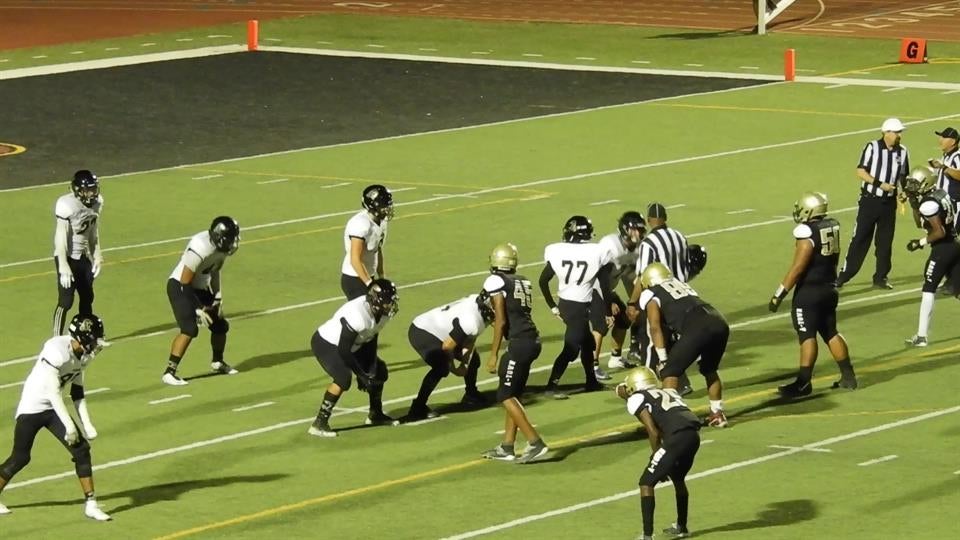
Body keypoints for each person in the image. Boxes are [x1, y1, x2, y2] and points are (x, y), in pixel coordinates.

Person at [0, 314, 111, 521]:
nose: (97, 344)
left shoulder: (82, 356)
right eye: (94, 339)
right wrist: (70, 426)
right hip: (33, 407)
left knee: (82, 450)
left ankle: (91, 503)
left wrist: (86, 424)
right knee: (20, 458)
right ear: (83, 337)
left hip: (53, 409)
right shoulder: (56, 351)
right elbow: (53, 392)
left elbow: (77, 392)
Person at [769, 192, 858, 397]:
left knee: (807, 335)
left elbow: (798, 268)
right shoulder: (831, 225)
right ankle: (848, 376)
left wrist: (779, 293)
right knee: (830, 332)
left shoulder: (806, 232)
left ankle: (803, 383)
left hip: (809, 292)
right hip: (828, 287)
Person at [633, 263, 729, 427]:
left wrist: (663, 358)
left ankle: (673, 419)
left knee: (669, 372)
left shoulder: (651, 293)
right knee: (709, 369)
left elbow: (655, 326)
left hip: (698, 324)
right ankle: (717, 414)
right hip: (719, 321)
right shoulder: (681, 284)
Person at [480, 243, 549, 464]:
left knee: (505, 396)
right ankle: (507, 446)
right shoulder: (522, 280)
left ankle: (535, 442)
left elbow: (501, 320)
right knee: (513, 394)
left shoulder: (496, 281)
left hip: (520, 342)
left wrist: (493, 354)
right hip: (530, 339)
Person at [616, 367, 700, 540]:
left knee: (646, 483)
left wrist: (656, 455)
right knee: (678, 478)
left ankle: (647, 536)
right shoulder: (667, 391)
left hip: (677, 438)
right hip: (693, 436)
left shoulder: (637, 399)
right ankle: (682, 526)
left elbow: (653, 431)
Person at [308, 279, 400, 437]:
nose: (389, 306)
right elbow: (344, 350)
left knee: (379, 371)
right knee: (343, 378)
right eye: (386, 302)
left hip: (355, 343)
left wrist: (370, 367)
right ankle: (319, 422)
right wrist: (361, 375)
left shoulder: (381, 314)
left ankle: (375, 414)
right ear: (375, 300)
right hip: (328, 342)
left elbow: (372, 336)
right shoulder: (357, 314)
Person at [539, 215, 613, 399]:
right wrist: (608, 311)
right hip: (578, 308)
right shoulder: (598, 251)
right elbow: (605, 286)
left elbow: (543, 281)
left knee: (588, 344)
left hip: (566, 304)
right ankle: (551, 386)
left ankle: (591, 382)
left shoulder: (557, 250)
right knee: (571, 349)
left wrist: (553, 306)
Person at [162, 216, 241, 386]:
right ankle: (169, 371)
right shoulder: (200, 247)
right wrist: (198, 308)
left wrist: (217, 297)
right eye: (231, 238)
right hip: (180, 286)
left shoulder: (221, 249)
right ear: (220, 238)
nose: (234, 242)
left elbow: (214, 271)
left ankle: (217, 362)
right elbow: (184, 281)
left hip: (198, 287)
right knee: (189, 329)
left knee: (220, 326)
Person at [626, 203, 694, 394]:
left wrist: (632, 302)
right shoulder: (680, 236)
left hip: (659, 297)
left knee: (650, 342)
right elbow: (687, 268)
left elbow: (642, 276)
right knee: (672, 339)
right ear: (666, 218)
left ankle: (647, 388)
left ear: (648, 221)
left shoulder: (649, 243)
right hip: (682, 295)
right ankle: (681, 382)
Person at [836, 118, 911, 290]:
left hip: (889, 203)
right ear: (887, 132)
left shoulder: (903, 151)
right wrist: (879, 184)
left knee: (885, 242)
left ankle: (881, 277)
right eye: (897, 132)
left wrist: (903, 192)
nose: (900, 135)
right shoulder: (872, 147)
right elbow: (860, 171)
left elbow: (903, 176)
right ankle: (843, 276)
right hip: (870, 200)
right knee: (860, 238)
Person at [404, 293, 494, 421]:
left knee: (473, 359)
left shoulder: (477, 306)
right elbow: (447, 346)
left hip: (442, 332)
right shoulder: (471, 321)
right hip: (422, 331)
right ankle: (418, 407)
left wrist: (465, 363)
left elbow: (470, 339)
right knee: (441, 368)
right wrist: (454, 369)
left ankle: (471, 393)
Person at [901, 169, 960, 347]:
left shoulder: (928, 204)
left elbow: (939, 231)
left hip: (943, 248)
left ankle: (922, 336)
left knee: (929, 287)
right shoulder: (940, 193)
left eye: (915, 183)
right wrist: (913, 203)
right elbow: (921, 222)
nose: (911, 186)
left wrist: (920, 242)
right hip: (955, 244)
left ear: (925, 183)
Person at [592, 211, 645, 374]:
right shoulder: (611, 246)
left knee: (623, 319)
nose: (639, 233)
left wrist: (637, 298)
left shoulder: (632, 250)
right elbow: (599, 275)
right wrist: (609, 303)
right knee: (601, 325)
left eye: (641, 229)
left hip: (606, 289)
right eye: (635, 229)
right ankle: (592, 366)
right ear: (625, 230)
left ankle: (615, 358)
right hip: (592, 288)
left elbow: (627, 272)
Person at [53, 170, 104, 337]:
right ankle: (56, 337)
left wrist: (97, 253)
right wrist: (63, 265)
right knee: (66, 301)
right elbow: (60, 237)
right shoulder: (67, 205)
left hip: (83, 255)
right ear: (77, 190)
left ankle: (86, 334)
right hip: (67, 255)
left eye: (93, 189)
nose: (92, 193)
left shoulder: (97, 203)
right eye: (87, 190)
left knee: (87, 296)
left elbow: (93, 231)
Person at [341, 184, 393, 300]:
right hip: (354, 277)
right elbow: (355, 259)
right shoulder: (361, 224)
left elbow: (377, 250)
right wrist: (369, 283)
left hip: (368, 275)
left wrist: (382, 276)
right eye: (384, 206)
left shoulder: (382, 221)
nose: (387, 209)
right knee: (366, 313)